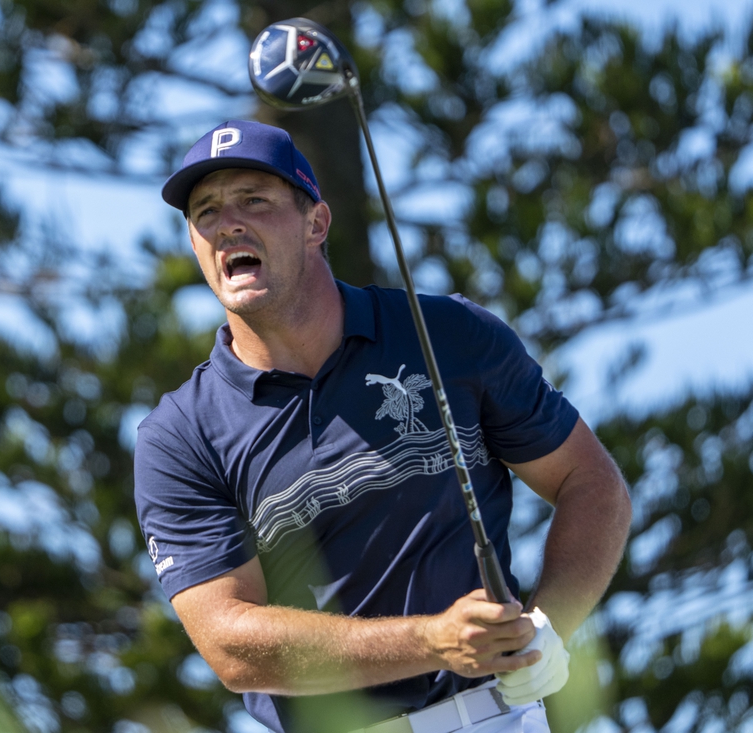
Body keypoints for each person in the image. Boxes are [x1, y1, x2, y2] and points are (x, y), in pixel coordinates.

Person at [133, 120, 631, 733]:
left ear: (316, 223)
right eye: (205, 211)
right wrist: (433, 641)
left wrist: (547, 627)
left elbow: (589, 479)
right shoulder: (178, 436)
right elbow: (230, 643)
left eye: (253, 200)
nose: (227, 222)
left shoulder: (449, 335)